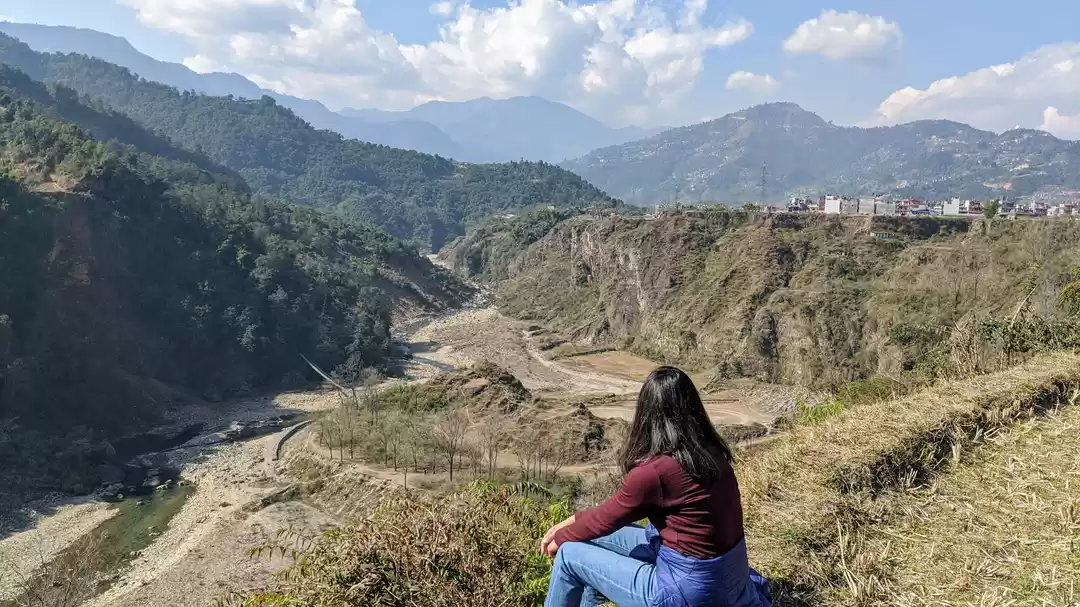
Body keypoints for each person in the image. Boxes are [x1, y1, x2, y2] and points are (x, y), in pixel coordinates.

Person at [540, 366, 771, 607]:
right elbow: (607, 516)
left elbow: (604, 521)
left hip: (687, 592)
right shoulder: (711, 452)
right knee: (590, 537)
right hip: (730, 577)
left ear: (646, 412)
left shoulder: (655, 472)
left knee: (569, 554)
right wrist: (572, 522)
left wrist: (560, 537)